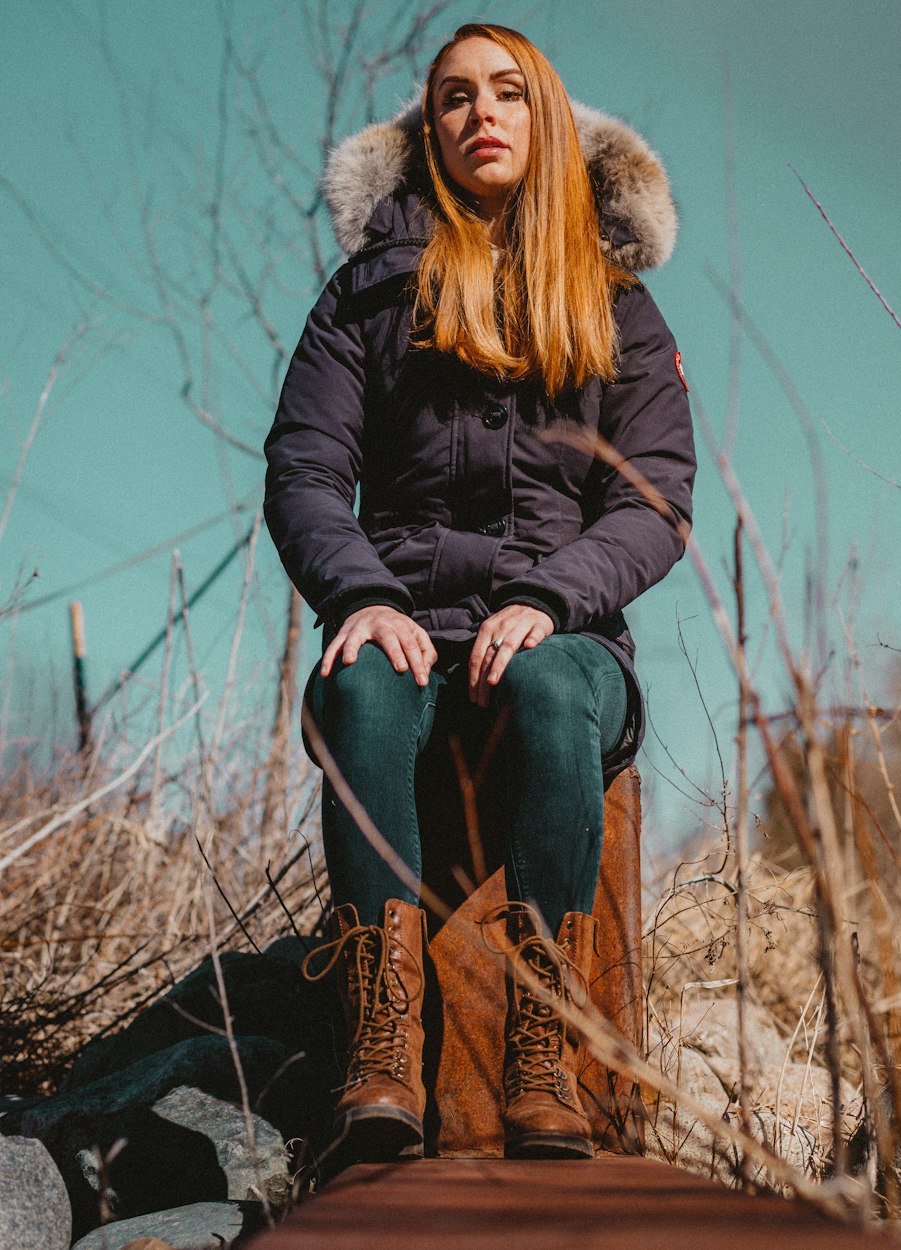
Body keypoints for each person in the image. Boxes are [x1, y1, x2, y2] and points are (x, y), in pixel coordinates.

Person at [263, 23, 695, 1164]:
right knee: (356, 681)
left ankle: (543, 1040)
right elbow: (305, 469)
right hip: (401, 610)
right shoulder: (366, 293)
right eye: (453, 98)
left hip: (569, 631)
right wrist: (358, 591)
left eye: (506, 93)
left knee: (551, 691)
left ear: (543, 120)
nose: (479, 115)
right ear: (430, 131)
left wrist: (554, 598)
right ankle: (381, 1042)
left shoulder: (616, 305)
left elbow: (656, 499)